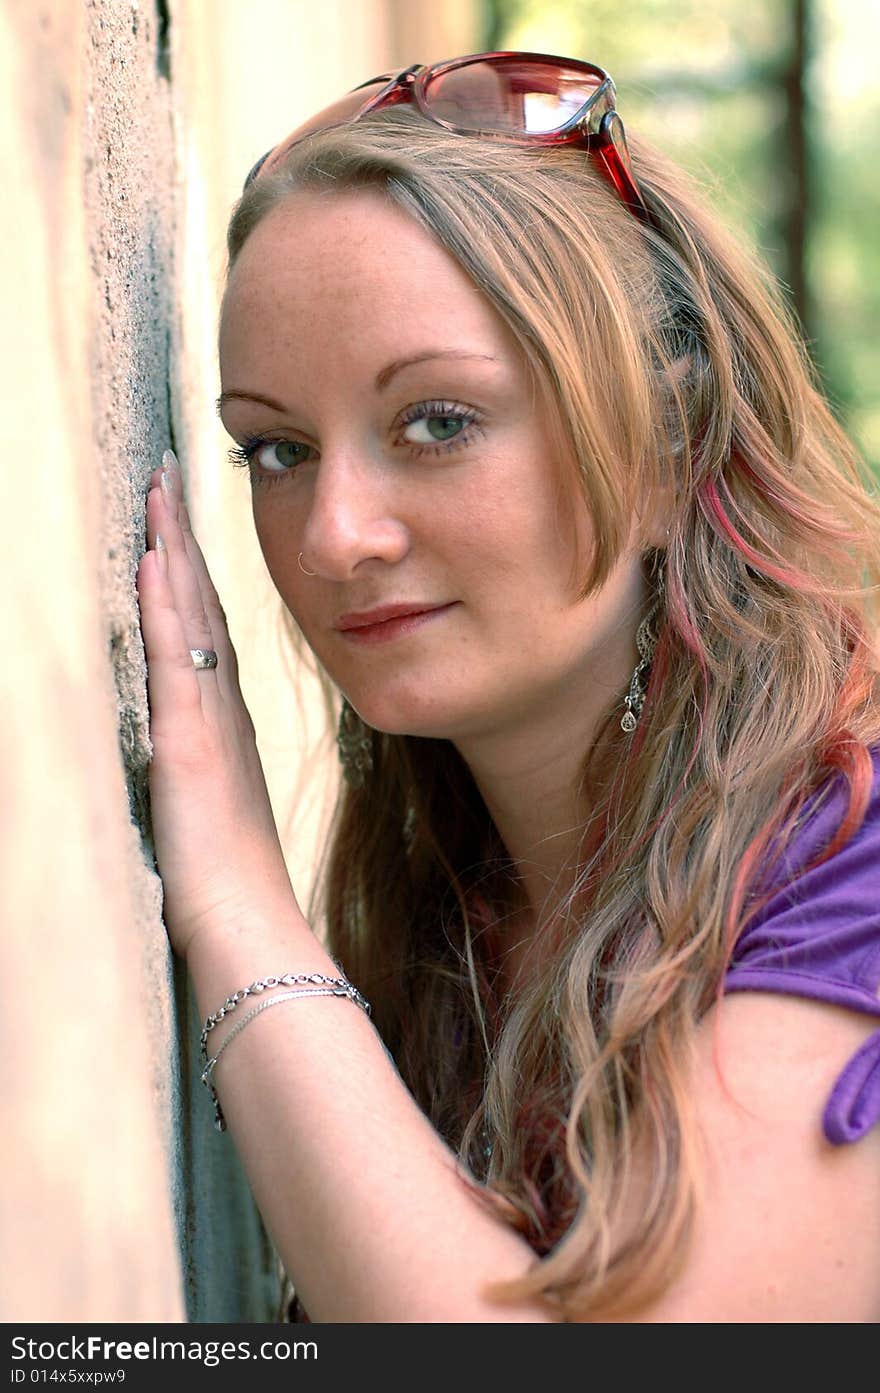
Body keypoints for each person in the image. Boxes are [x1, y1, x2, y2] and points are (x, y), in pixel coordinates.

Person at [136, 53, 880, 1322]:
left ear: (664, 440)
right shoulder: (447, 899)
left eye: (437, 421)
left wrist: (241, 907)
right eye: (278, 448)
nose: (333, 536)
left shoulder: (848, 848)